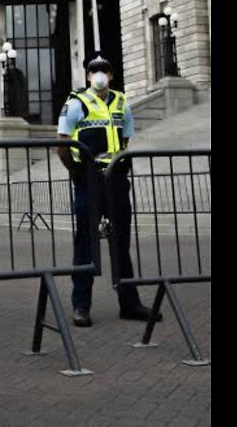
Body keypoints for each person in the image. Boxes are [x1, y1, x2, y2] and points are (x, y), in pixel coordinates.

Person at [55, 54, 161, 328]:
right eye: (94, 70)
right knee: (85, 243)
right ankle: (81, 306)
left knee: (121, 241)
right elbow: (61, 143)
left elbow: (124, 138)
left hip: (115, 177)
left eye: (104, 70)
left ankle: (129, 303)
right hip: (89, 178)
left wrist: (119, 166)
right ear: (88, 76)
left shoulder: (121, 102)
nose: (99, 74)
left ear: (111, 75)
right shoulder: (76, 102)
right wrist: (78, 172)